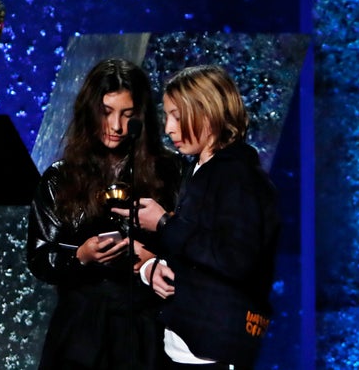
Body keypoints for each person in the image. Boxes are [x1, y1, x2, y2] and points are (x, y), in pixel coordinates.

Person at [112, 64, 281, 369]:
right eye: (167, 116)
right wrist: (155, 267)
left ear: (209, 112)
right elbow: (201, 250)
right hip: (187, 347)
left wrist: (164, 224)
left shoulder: (238, 176)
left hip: (213, 350)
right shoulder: (202, 170)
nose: (169, 129)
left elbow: (235, 258)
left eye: (177, 115)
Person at [25, 58, 182, 370]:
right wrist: (81, 256)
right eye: (106, 112)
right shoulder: (60, 177)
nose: (116, 126)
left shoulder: (170, 171)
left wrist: (152, 256)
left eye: (127, 114)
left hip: (145, 326)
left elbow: (196, 243)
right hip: (81, 329)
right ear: (89, 112)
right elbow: (39, 256)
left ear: (141, 116)